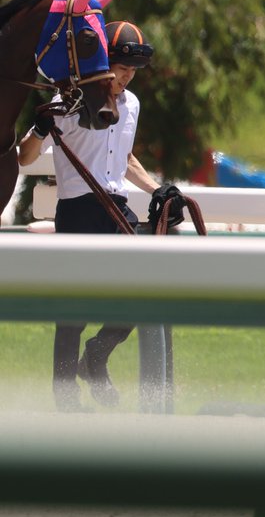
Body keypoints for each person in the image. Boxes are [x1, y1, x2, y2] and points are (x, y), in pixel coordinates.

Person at [18, 21, 180, 411]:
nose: (125, 77)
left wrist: (156, 189)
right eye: (120, 69)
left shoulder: (132, 106)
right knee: (73, 309)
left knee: (146, 292)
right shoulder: (68, 100)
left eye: (131, 72)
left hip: (116, 209)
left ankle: (96, 354)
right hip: (77, 209)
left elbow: (124, 159)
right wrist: (39, 130)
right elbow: (25, 156)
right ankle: (65, 395)